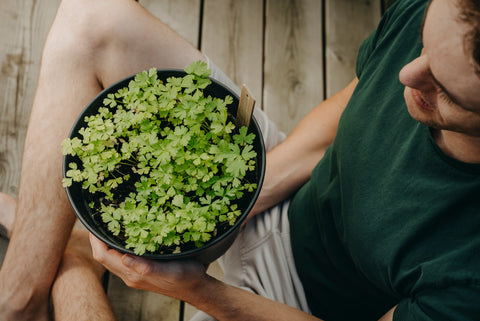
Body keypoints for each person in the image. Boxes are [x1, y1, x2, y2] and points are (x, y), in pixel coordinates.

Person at [1, 0, 479, 320]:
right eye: (420, 43)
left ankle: (72, 255)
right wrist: (243, 197)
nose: (407, 75)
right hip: (283, 194)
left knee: (69, 254)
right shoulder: (447, 14)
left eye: (444, 89)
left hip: (291, 308)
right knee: (93, 14)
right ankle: (20, 297)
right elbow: (350, 108)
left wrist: (199, 291)